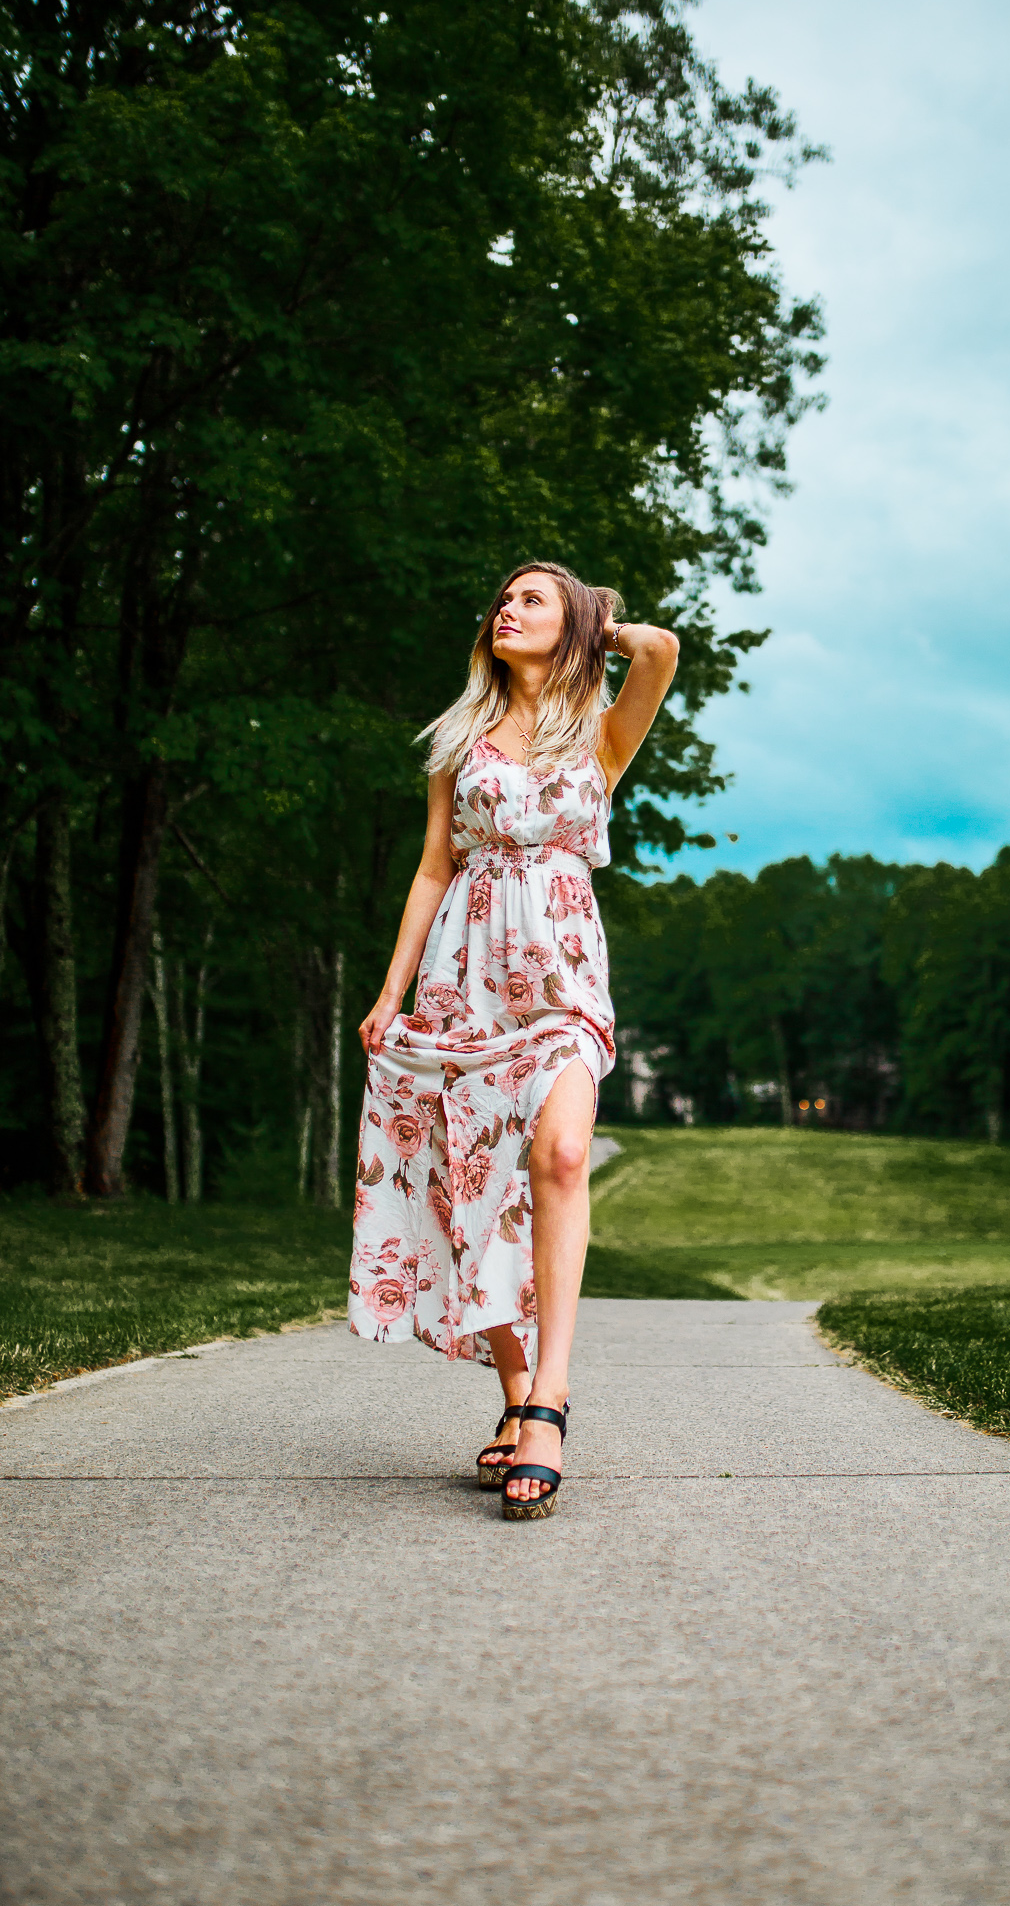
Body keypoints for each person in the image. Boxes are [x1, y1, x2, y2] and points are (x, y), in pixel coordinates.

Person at [351, 561, 678, 1519]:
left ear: (568, 622)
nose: (506, 609)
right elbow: (428, 870)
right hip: (464, 979)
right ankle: (511, 1392)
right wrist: (390, 991)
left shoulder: (602, 731)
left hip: (565, 979)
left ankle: (550, 1399)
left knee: (562, 1154)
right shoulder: (462, 738)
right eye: (501, 598)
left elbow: (660, 650)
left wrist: (592, 622)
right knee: (476, 1189)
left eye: (529, 599)